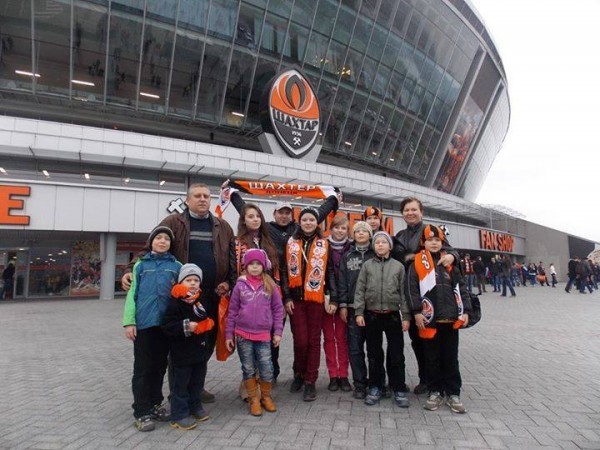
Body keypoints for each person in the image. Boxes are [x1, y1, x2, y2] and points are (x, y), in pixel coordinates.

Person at [122, 183, 236, 403]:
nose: (202, 199)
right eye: (197, 196)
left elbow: (232, 259)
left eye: (206, 196)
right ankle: (179, 391)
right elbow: (151, 247)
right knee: (182, 345)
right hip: (183, 298)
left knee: (205, 342)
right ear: (187, 200)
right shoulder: (173, 222)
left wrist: (229, 282)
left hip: (211, 295)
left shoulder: (222, 226)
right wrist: (129, 269)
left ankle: (196, 386)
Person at [391, 196, 459, 396]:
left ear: (421, 212)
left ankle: (441, 382)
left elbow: (451, 251)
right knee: (417, 340)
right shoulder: (400, 236)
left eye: (414, 209)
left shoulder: (430, 231)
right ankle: (426, 379)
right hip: (410, 293)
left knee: (436, 342)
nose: (410, 213)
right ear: (402, 214)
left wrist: (452, 256)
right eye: (406, 210)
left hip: (433, 295)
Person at [122, 226, 182, 432]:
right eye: (158, 238)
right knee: (143, 368)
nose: (162, 241)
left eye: (167, 239)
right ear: (151, 242)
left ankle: (155, 404)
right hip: (144, 324)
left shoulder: (176, 266)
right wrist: (129, 321)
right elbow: (132, 294)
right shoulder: (140, 265)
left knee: (159, 367)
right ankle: (141, 411)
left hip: (165, 325)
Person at [407, 225, 471, 414]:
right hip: (429, 320)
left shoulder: (450, 263)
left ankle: (453, 393)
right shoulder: (416, 263)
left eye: (437, 240)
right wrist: (416, 311)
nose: (434, 243)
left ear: (442, 242)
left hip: (449, 320)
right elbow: (411, 290)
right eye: (430, 240)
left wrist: (466, 310)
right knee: (432, 358)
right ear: (423, 243)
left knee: (450, 358)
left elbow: (462, 288)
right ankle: (434, 391)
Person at [281, 207, 336, 402]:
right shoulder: (290, 243)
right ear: (299, 222)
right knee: (300, 341)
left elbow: (330, 272)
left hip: (316, 299)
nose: (308, 223)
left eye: (312, 220)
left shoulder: (325, 244)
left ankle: (310, 380)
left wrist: (333, 297)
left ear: (317, 222)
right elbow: (284, 271)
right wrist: (286, 297)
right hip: (296, 299)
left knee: (313, 341)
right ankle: (299, 373)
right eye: (304, 220)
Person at [354, 231, 411, 407]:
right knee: (374, 354)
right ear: (373, 246)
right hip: (372, 315)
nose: (380, 245)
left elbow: (404, 293)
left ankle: (398, 388)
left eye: (384, 242)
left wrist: (406, 316)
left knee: (396, 354)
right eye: (377, 242)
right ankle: (375, 386)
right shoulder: (367, 266)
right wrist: (359, 312)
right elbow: (360, 290)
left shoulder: (398, 267)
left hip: (392, 315)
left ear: (390, 247)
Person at [225, 249, 285, 416]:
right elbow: (232, 311)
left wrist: (278, 332)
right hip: (243, 335)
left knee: (267, 367)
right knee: (248, 368)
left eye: (258, 264)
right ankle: (254, 399)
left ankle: (266, 396)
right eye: (251, 264)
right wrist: (229, 334)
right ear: (246, 266)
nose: (255, 267)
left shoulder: (270, 285)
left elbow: (278, 310)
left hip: (264, 335)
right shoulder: (239, 286)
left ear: (264, 265)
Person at [162, 264, 215, 430]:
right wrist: (186, 326)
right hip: (182, 352)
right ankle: (179, 414)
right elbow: (167, 326)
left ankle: (195, 406)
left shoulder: (200, 302)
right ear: (181, 282)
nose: (193, 283)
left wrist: (207, 325)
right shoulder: (175, 303)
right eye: (188, 280)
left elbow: (206, 319)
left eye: (196, 280)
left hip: (199, 351)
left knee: (197, 382)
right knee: (181, 384)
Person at [338, 221, 375, 399]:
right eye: (357, 231)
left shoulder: (376, 253)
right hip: (353, 308)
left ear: (370, 234)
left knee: (374, 349)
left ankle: (376, 382)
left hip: (373, 308)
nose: (360, 233)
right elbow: (342, 281)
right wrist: (343, 305)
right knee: (355, 349)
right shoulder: (347, 255)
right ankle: (360, 384)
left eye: (364, 231)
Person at [322, 215, 352, 392]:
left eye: (343, 228)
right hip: (326, 299)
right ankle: (333, 375)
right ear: (331, 228)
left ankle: (343, 375)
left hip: (344, 299)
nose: (340, 231)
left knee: (342, 338)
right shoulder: (323, 246)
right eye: (337, 227)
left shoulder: (352, 247)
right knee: (329, 338)